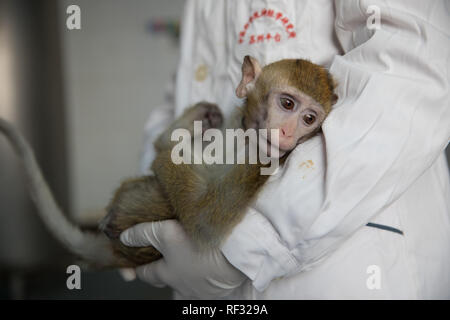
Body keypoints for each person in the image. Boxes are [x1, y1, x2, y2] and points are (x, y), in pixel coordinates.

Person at [119, 0, 450, 299]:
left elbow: (411, 70)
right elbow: (183, 92)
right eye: (287, 103)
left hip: (341, 268)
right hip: (200, 258)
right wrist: (150, 211)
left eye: (306, 116)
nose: (286, 133)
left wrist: (253, 241)